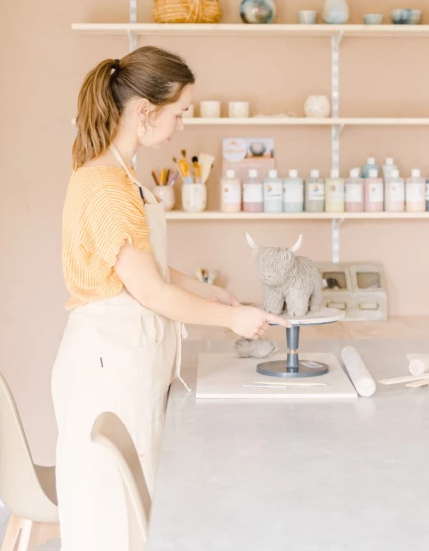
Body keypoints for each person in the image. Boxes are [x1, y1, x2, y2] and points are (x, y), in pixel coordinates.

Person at [53, 46, 284, 549]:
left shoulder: (121, 176)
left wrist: (210, 292)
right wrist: (233, 321)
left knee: (134, 508)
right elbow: (152, 291)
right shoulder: (109, 187)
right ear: (144, 111)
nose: (182, 125)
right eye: (179, 113)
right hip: (108, 366)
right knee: (111, 515)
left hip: (123, 357)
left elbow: (147, 266)